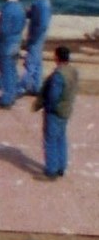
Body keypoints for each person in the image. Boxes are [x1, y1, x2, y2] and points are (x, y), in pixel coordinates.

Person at [37, 46, 78, 180]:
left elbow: (53, 96)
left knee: (50, 140)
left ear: (57, 57)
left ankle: (51, 170)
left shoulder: (58, 76)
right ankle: (61, 166)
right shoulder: (73, 71)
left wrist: (46, 107)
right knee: (61, 138)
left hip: (55, 112)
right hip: (66, 110)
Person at [0, 0, 27, 107]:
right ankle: (12, 94)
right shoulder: (20, 7)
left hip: (6, 44)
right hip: (16, 42)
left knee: (5, 71)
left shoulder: (8, 9)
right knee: (12, 70)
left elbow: (3, 30)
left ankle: (6, 99)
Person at [23, 0, 55, 102]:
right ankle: (37, 87)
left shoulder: (42, 4)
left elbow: (42, 24)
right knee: (37, 62)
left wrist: (32, 38)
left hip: (36, 37)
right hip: (37, 37)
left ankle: (22, 87)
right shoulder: (41, 2)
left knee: (30, 62)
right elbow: (33, 14)